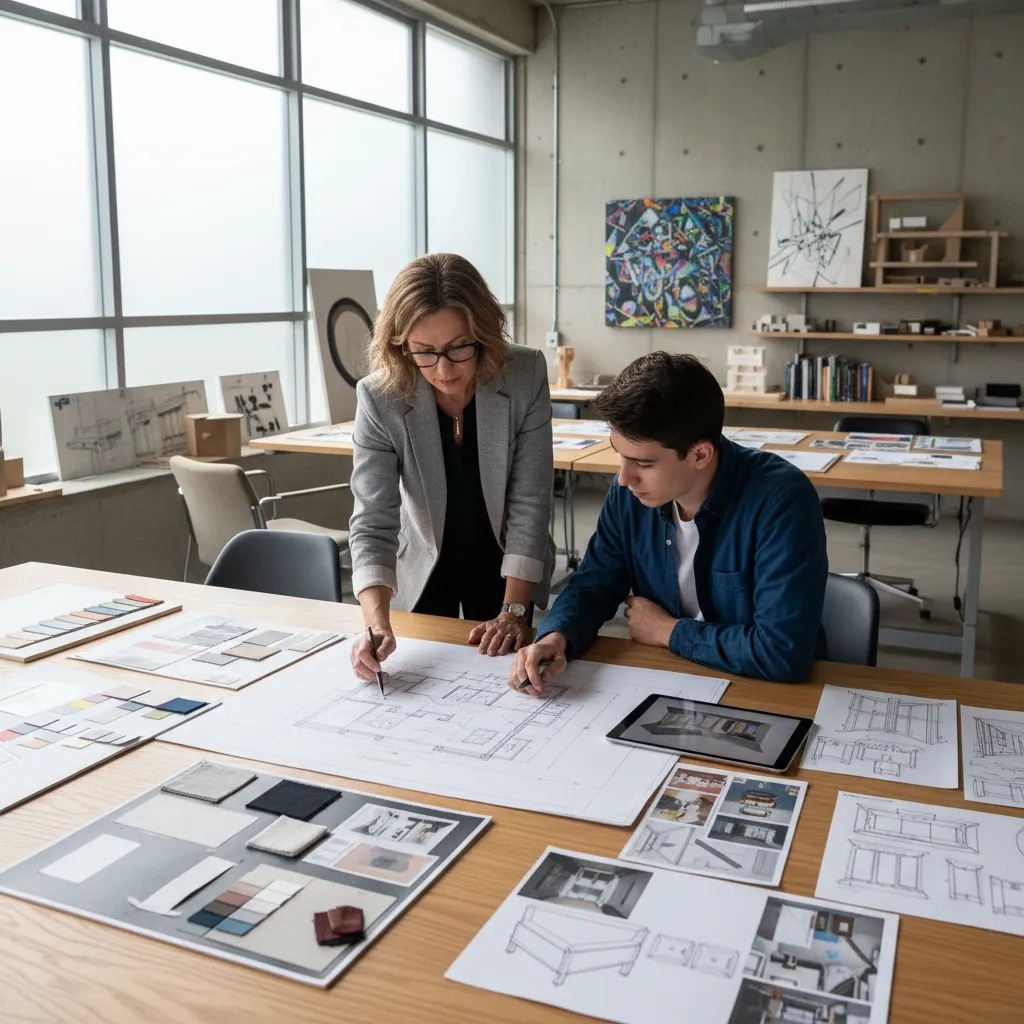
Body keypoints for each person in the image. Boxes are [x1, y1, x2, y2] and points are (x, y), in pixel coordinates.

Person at [509, 351, 828, 693]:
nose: (623, 478)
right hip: (669, 677)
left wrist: (667, 631)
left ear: (700, 454)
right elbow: (592, 586)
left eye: (643, 464)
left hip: (764, 690)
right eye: (620, 455)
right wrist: (557, 636)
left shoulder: (780, 500)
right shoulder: (631, 494)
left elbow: (781, 652)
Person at [348, 253, 554, 683]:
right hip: (423, 566)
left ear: (484, 333)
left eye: (459, 347)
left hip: (506, 567)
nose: (443, 370)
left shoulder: (524, 372)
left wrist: (514, 610)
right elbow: (372, 521)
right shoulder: (379, 396)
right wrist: (376, 623)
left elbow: (530, 502)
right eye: (424, 352)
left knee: (511, 690)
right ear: (401, 347)